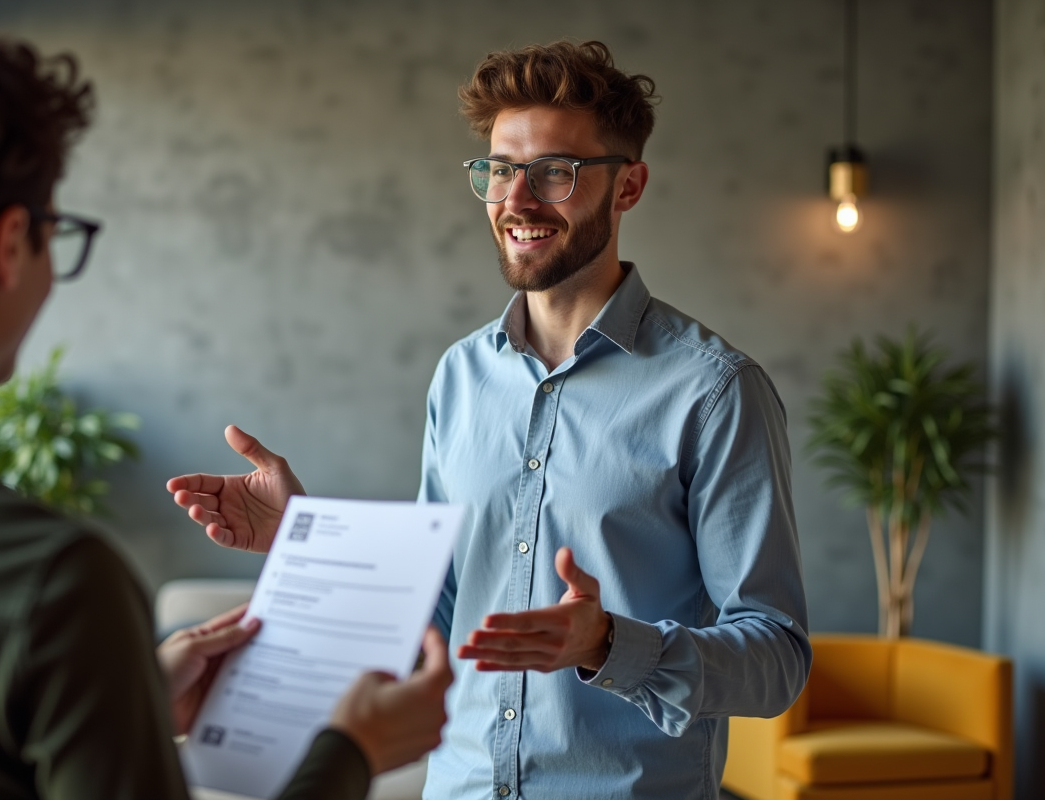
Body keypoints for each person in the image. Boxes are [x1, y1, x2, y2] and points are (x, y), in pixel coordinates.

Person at [169, 40, 811, 799]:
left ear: (628, 186)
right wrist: (304, 537)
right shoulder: (461, 375)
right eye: (501, 170)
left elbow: (777, 660)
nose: (518, 199)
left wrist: (609, 644)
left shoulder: (713, 392)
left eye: (556, 173)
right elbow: (430, 619)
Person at [0, 10, 451, 800]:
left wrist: (127, 706)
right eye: (57, 232)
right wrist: (351, 750)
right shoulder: (52, 583)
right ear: (9, 243)